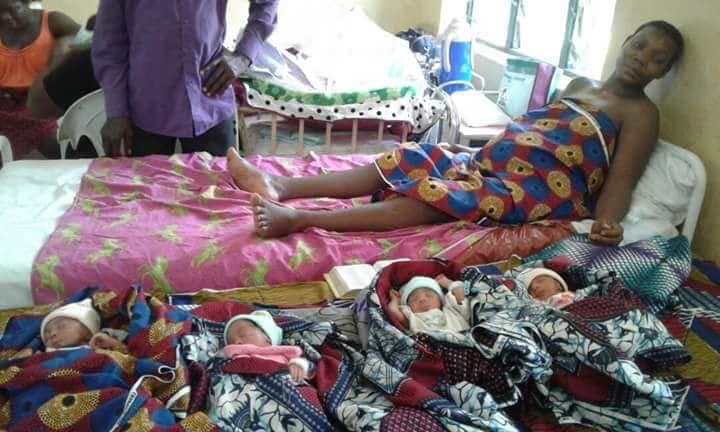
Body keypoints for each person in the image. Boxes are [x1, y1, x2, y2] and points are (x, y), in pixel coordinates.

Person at [227, 20, 684, 247]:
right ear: (627, 41)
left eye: (657, 59)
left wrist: (608, 223)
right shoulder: (580, 84)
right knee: (411, 156)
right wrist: (472, 151)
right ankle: (282, 185)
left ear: (662, 73)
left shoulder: (641, 114)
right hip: (493, 164)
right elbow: (533, 131)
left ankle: (300, 219)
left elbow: (620, 179)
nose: (642, 58)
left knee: (438, 194)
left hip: (537, 190)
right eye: (640, 45)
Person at [92, 0, 279, 158]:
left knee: (218, 189)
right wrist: (116, 111)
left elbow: (267, 4)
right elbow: (109, 44)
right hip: (146, 112)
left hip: (210, 103)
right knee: (146, 191)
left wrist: (243, 56)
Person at [0, 0, 79, 158]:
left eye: (13, 9)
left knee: (44, 131)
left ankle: (66, 157)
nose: (6, 17)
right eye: (1, 12)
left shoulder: (53, 21)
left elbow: (90, 41)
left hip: (42, 97)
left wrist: (66, 43)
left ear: (27, 2)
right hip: (5, 101)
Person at [224, 310, 309, 383]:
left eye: (242, 335)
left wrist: (298, 365)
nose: (236, 343)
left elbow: (308, 367)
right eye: (231, 342)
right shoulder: (231, 361)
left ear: (267, 338)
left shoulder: (286, 355)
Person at [386, 276, 470, 335]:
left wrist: (448, 283)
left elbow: (463, 292)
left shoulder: (450, 308)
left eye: (429, 295)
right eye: (414, 299)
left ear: (440, 300)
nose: (422, 299)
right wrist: (395, 299)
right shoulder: (413, 318)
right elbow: (393, 311)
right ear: (408, 306)